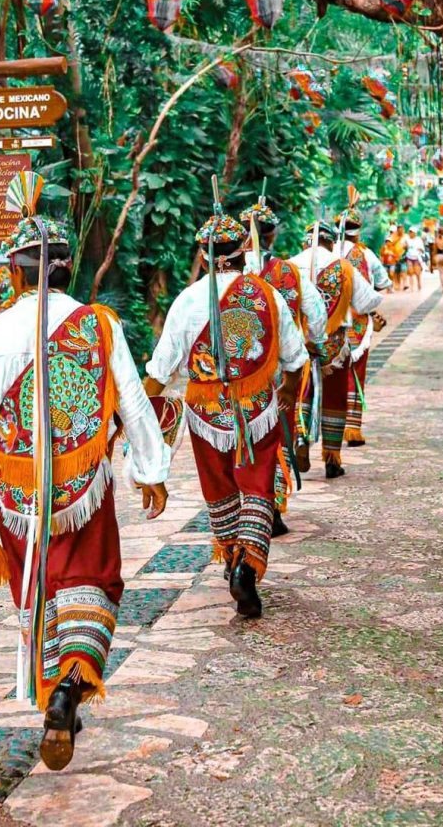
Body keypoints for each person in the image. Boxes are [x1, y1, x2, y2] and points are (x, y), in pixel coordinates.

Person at [0, 173, 170, 771]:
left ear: (17, 272)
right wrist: (151, 468)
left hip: (15, 495)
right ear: (65, 270)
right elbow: (133, 402)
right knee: (91, 579)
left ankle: (54, 689)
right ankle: (68, 685)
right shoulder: (100, 325)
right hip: (82, 487)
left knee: (37, 591)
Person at [144, 207, 307, 619]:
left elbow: (161, 368)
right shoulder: (266, 295)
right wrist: (287, 390)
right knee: (256, 484)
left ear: (203, 254)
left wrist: (136, 413)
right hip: (256, 409)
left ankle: (233, 552)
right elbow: (294, 356)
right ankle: (247, 566)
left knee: (219, 486)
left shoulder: (186, 300)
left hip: (205, 412)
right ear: (245, 250)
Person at [239, 194, 328, 537]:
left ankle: (245, 508)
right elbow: (317, 313)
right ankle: (272, 508)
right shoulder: (289, 273)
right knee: (278, 435)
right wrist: (313, 341)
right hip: (282, 371)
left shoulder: (229, 276)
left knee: (243, 439)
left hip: (241, 375)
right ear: (272, 234)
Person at [290, 219, 382, 479]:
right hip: (334, 345)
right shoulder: (342, 267)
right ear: (330, 242)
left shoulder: (289, 266)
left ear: (305, 241)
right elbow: (367, 301)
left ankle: (301, 438)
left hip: (301, 343)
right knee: (334, 398)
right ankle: (332, 457)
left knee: (300, 392)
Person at [333, 186, 391, 447]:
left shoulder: (322, 253)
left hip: (327, 325)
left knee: (327, 374)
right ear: (358, 231)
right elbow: (382, 283)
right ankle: (352, 429)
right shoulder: (366, 254)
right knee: (356, 372)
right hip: (357, 323)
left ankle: (324, 427)